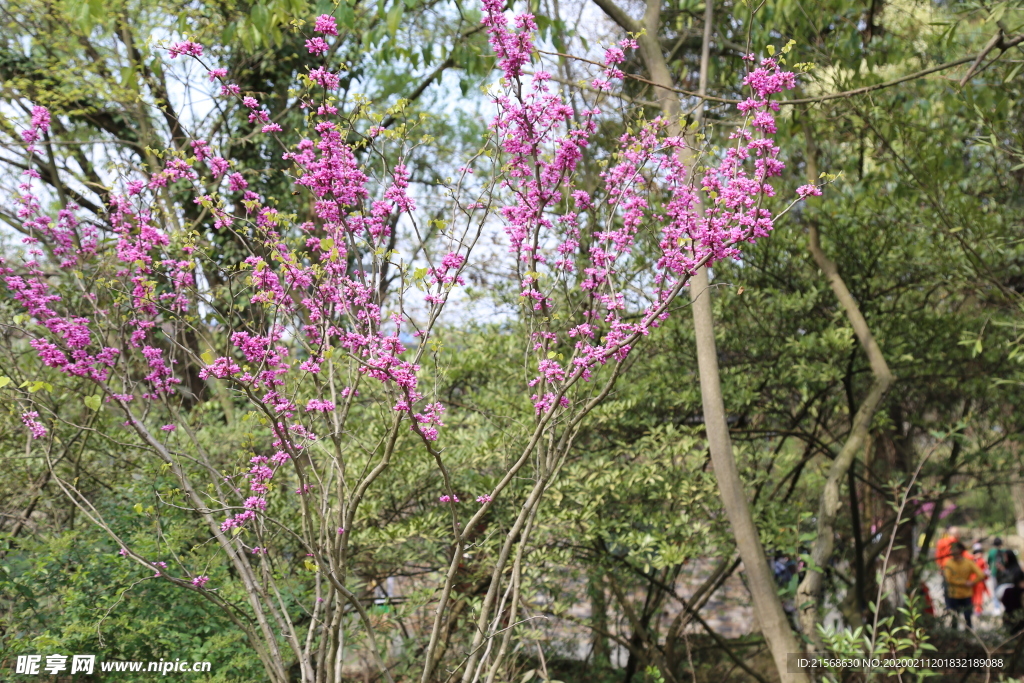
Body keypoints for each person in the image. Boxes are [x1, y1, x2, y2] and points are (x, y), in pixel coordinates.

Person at [942, 541, 985, 629]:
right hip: (954, 594)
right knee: (955, 618)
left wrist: (972, 582)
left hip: (965, 595)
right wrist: (965, 582)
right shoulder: (949, 563)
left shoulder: (968, 563)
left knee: (967, 617)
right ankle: (955, 636)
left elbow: (981, 575)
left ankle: (967, 635)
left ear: (960, 551)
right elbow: (948, 578)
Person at [1000, 570, 1024, 635]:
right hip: (1018, 621)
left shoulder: (1007, 591)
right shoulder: (1021, 592)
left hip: (1009, 619)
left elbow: (1004, 602)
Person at [970, 542, 991, 615]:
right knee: (978, 597)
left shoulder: (971, 561)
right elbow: (985, 572)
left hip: (972, 581)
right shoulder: (981, 561)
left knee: (975, 596)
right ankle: (978, 610)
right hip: (978, 582)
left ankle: (977, 609)